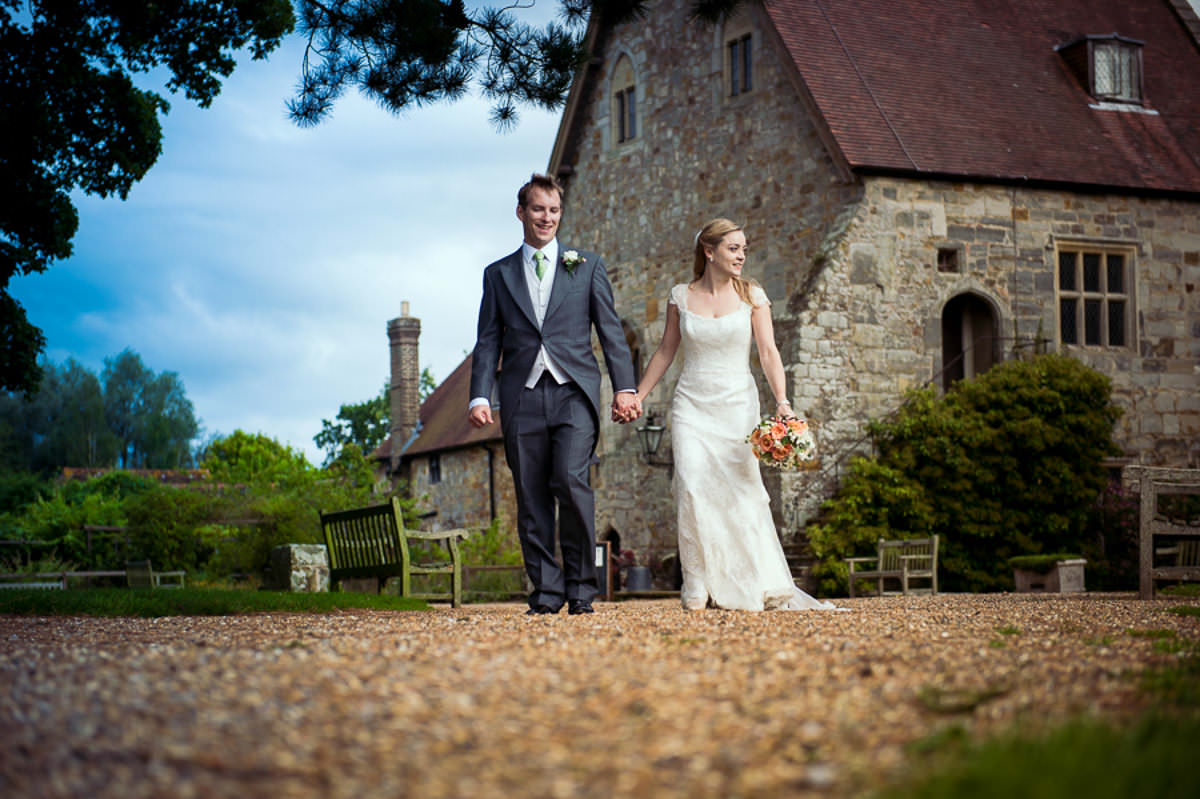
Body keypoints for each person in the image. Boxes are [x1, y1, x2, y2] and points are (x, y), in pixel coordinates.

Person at [632, 218, 839, 611]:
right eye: (734, 248)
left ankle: (748, 579)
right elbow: (664, 352)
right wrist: (639, 395)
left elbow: (768, 353)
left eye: (744, 248)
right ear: (709, 252)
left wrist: (782, 401)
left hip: (737, 407)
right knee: (691, 484)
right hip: (692, 404)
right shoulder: (680, 296)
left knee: (741, 493)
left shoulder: (753, 296)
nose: (742, 255)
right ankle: (696, 583)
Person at [468, 173, 641, 616]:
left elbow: (611, 332)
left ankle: (581, 588)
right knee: (530, 494)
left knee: (570, 480)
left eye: (554, 210)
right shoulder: (499, 274)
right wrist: (479, 396)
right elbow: (488, 340)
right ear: (521, 212)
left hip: (573, 393)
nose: (547, 217)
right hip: (521, 397)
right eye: (539, 209)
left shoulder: (587, 266)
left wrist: (624, 387)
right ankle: (546, 593)